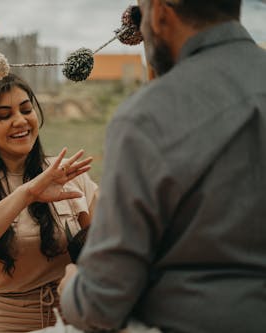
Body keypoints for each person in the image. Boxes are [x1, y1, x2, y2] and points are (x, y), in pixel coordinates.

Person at [56, 0, 266, 332]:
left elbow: (101, 304)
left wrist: (72, 288)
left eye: (141, 12)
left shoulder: (145, 118)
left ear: (161, 12)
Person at [0, 73, 98, 332]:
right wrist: (27, 194)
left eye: (26, 109)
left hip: (70, 321)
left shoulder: (66, 174)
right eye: (4, 115)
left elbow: (106, 245)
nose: (20, 121)